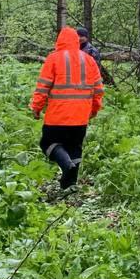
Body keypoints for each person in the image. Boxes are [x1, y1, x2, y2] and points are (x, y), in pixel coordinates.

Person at [30, 26, 104, 196]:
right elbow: (98, 89)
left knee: (47, 143)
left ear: (59, 41)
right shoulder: (89, 60)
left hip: (57, 116)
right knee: (75, 147)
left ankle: (66, 165)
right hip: (81, 116)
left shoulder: (53, 59)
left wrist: (36, 108)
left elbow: (43, 88)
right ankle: (69, 185)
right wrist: (94, 109)